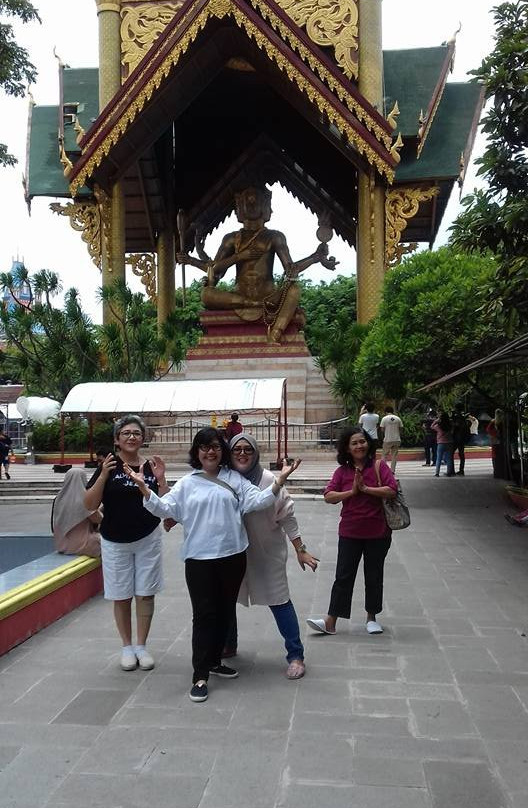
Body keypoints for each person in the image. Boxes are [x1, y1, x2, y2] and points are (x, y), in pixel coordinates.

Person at [125, 427, 301, 703]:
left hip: (233, 558)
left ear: (222, 452)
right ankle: (200, 675)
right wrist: (144, 487)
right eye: (205, 447)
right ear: (197, 452)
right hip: (199, 561)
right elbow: (165, 508)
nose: (210, 451)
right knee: (204, 616)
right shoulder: (188, 483)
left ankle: (216, 661)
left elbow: (258, 501)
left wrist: (279, 481)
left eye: (216, 447)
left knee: (224, 611)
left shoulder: (234, 479)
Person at [177, 186, 337, 343]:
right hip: (238, 297)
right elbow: (214, 270)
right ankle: (252, 304)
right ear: (239, 206)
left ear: (266, 205)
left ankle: (275, 333)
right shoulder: (231, 238)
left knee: (294, 290)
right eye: (247, 200)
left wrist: (316, 257)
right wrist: (238, 256)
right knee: (206, 294)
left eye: (255, 200)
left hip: (268, 297)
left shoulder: (275, 236)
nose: (251, 203)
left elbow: (290, 270)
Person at [225, 433, 319, 679]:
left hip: (267, 554)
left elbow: (287, 515)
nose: (242, 454)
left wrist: (301, 549)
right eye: (237, 449)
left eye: (247, 449)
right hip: (232, 554)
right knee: (226, 601)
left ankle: (296, 655)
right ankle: (228, 644)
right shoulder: (224, 478)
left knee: (279, 600)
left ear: (255, 453)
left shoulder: (268, 480)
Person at [85, 415, 166, 673]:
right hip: (115, 539)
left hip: (148, 537)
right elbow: (88, 504)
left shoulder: (151, 466)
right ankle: (127, 647)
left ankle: (142, 646)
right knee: (121, 595)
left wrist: (162, 479)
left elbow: (166, 504)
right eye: (126, 433)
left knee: (145, 593)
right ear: (117, 439)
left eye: (137, 433)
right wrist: (103, 476)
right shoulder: (109, 464)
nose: (132, 437)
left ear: (143, 438)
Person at [306, 426, 397, 637]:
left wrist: (366, 490)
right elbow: (329, 496)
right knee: (343, 576)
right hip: (350, 532)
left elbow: (391, 490)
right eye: (354, 443)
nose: (359, 446)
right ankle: (331, 621)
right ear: (347, 448)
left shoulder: (378, 466)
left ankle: (371, 617)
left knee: (374, 575)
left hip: (378, 532)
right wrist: (352, 492)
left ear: (368, 443)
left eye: (362, 441)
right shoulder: (342, 472)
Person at [52, 467, 101, 557]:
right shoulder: (84, 499)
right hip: (81, 545)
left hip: (61, 545)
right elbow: (98, 519)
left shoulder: (59, 498)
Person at [431, 411, 455, 477]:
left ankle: (437, 473)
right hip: (450, 443)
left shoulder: (439, 426)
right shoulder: (450, 425)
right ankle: (449, 472)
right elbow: (453, 428)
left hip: (441, 443)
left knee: (438, 458)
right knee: (449, 458)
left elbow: (432, 426)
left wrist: (436, 420)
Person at [380, 406, 403, 473]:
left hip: (387, 439)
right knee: (394, 456)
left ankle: (383, 470)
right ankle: (392, 470)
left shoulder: (384, 418)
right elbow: (401, 428)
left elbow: (382, 429)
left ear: (386, 411)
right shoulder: (398, 418)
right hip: (396, 439)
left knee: (384, 455)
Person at [451, 403, 471, 476]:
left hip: (457, 438)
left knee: (450, 454)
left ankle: (451, 470)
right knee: (461, 455)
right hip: (462, 438)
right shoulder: (463, 417)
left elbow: (456, 425)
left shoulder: (458, 417)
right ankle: (461, 470)